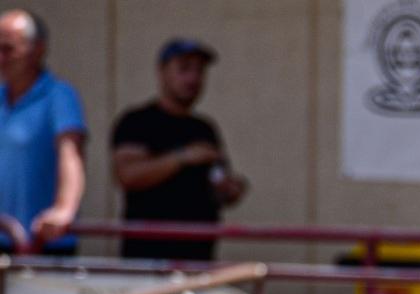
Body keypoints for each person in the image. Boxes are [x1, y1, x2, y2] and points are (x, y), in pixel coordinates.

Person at [110, 38, 248, 263]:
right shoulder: (136, 122)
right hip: (147, 258)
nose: (193, 79)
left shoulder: (204, 128)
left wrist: (230, 189)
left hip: (199, 258)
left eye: (199, 71)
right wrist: (183, 157)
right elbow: (128, 175)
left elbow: (217, 185)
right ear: (162, 71)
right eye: (184, 69)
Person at [0, 9, 84, 254]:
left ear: (38, 49)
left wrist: (64, 209)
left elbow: (71, 154)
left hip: (43, 244)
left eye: (9, 49)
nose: (2, 58)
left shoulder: (59, 96)